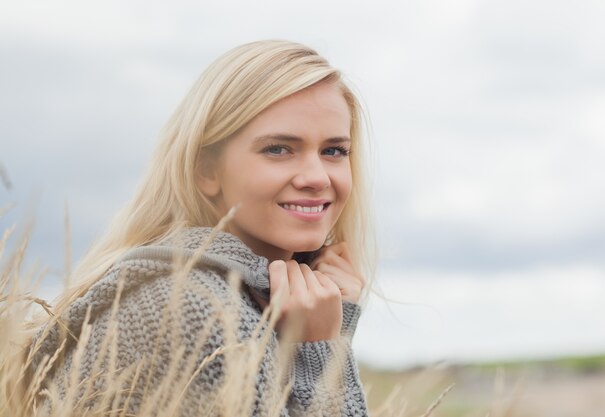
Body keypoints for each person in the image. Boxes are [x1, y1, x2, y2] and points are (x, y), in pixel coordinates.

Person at [25, 40, 376, 417]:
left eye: (334, 151)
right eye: (278, 149)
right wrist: (321, 351)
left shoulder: (215, 293)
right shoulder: (201, 309)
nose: (316, 177)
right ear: (206, 170)